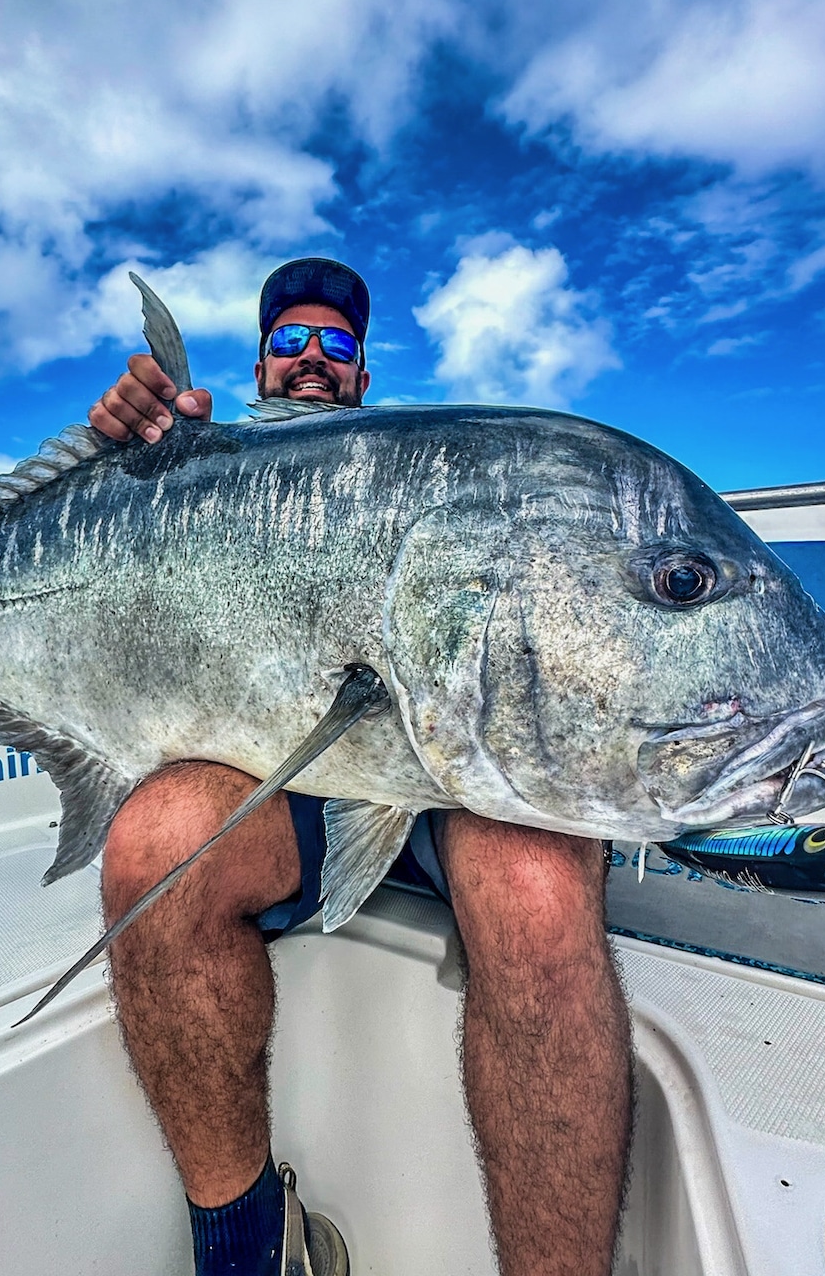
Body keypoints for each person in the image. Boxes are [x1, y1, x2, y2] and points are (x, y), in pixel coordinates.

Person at [87, 258, 633, 1276]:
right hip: (290, 769)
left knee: (535, 886)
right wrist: (117, 470)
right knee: (150, 851)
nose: (310, 358)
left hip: (454, 766)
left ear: (362, 377)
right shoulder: (201, 469)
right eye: (289, 340)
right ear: (257, 364)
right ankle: (249, 1243)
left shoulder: (426, 472)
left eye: (335, 345)